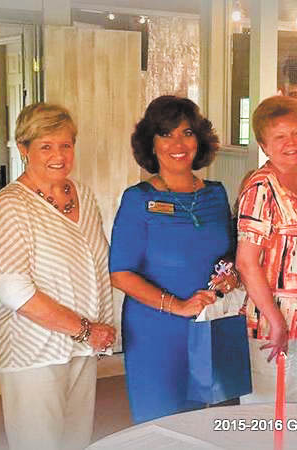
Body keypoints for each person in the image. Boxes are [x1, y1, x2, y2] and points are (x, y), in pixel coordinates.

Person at [0, 103, 115, 450]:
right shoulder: (9, 206)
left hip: (81, 347)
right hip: (31, 352)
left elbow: (96, 266)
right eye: (46, 146)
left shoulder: (82, 194)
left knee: (76, 441)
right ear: (23, 149)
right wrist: (85, 329)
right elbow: (14, 291)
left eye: (66, 145)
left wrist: (92, 332)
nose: (58, 155)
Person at [109, 96, 231, 424]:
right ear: (151, 143)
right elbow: (120, 273)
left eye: (186, 132)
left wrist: (229, 277)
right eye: (166, 134)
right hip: (156, 329)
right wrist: (177, 306)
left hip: (209, 324)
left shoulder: (217, 194)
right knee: (160, 424)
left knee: (203, 423)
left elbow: (228, 255)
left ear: (199, 139)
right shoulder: (139, 200)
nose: (178, 143)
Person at [236, 95, 297, 402]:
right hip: (270, 322)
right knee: (266, 415)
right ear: (264, 145)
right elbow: (246, 263)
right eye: (280, 136)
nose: (291, 142)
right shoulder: (261, 187)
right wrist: (275, 320)